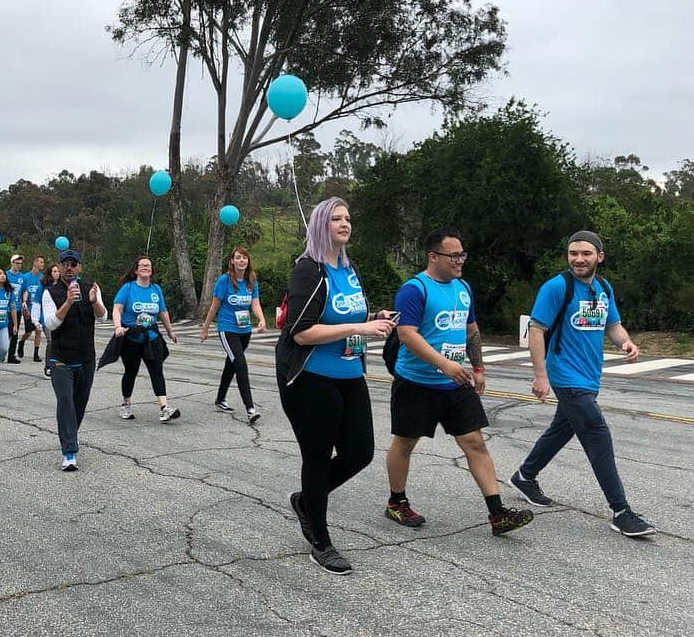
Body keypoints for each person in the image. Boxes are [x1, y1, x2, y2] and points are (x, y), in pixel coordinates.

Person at [384, 227, 532, 538]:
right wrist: (444, 364)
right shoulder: (415, 289)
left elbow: (471, 329)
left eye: (462, 254)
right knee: (405, 443)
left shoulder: (463, 288)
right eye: (454, 255)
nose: (460, 260)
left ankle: (498, 513)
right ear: (433, 256)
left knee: (475, 443)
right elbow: (406, 334)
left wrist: (477, 366)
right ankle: (397, 502)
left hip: (455, 384)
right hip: (416, 382)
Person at [275, 198, 396, 575]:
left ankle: (307, 501)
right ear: (320, 225)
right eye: (336, 219)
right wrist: (358, 328)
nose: (344, 224)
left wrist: (373, 317)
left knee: (360, 451)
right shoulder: (308, 270)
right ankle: (321, 542)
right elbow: (301, 332)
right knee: (316, 456)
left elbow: (347, 311)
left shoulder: (348, 267)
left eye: (348, 218)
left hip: (349, 373)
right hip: (311, 379)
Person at [511, 231, 655, 537]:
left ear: (599, 257)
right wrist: (540, 375)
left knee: (561, 429)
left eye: (586, 253)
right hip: (565, 375)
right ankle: (621, 512)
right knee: (597, 434)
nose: (579, 258)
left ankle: (525, 476)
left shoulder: (603, 287)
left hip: (590, 376)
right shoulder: (556, 287)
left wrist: (626, 343)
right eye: (573, 253)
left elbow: (612, 325)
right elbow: (536, 330)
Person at [42, 250, 107, 470]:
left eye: (73, 264)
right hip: (61, 358)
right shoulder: (50, 292)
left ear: (79, 267)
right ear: (59, 268)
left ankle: (70, 435)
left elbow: (103, 315)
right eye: (65, 264)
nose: (69, 268)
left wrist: (93, 302)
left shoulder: (91, 288)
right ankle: (69, 452)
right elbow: (50, 324)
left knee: (79, 405)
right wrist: (68, 302)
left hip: (86, 357)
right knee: (66, 401)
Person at [200, 246, 266, 423]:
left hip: (245, 330)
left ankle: (220, 399)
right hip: (227, 329)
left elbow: (255, 304)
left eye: (244, 257)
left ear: (248, 261)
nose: (242, 260)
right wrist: (205, 329)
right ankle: (250, 408)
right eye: (238, 257)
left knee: (231, 364)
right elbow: (214, 306)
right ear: (232, 261)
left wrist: (261, 319)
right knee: (240, 364)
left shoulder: (252, 280)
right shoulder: (224, 280)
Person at [112, 256, 181, 423]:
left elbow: (162, 312)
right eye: (142, 265)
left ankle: (164, 408)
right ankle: (126, 404)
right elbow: (117, 309)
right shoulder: (128, 288)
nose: (145, 267)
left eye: (148, 265)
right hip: (132, 337)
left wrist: (170, 332)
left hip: (152, 337)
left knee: (157, 370)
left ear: (151, 270)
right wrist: (117, 327)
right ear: (136, 270)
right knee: (131, 371)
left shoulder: (156, 289)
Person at [36, 264, 61, 378]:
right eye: (54, 271)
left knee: (59, 341)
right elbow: (36, 302)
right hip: (46, 318)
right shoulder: (43, 286)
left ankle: (58, 363)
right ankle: (48, 366)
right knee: (51, 341)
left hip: (60, 318)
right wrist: (36, 320)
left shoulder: (63, 285)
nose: (56, 273)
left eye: (58, 271)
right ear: (50, 273)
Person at [19, 255, 45, 362]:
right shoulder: (26, 277)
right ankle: (21, 342)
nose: (43, 264)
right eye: (41, 262)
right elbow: (21, 293)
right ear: (35, 263)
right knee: (29, 332)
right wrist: (24, 308)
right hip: (28, 309)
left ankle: (36, 354)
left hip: (38, 309)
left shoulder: (42, 277)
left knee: (38, 330)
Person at [5, 254, 26, 364]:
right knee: (5, 332)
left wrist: (24, 301)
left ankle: (11, 355)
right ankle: (2, 353)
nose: (18, 266)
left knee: (15, 332)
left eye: (20, 264)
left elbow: (24, 291)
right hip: (5, 309)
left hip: (17, 309)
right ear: (12, 263)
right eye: (16, 263)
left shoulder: (22, 277)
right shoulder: (5, 275)